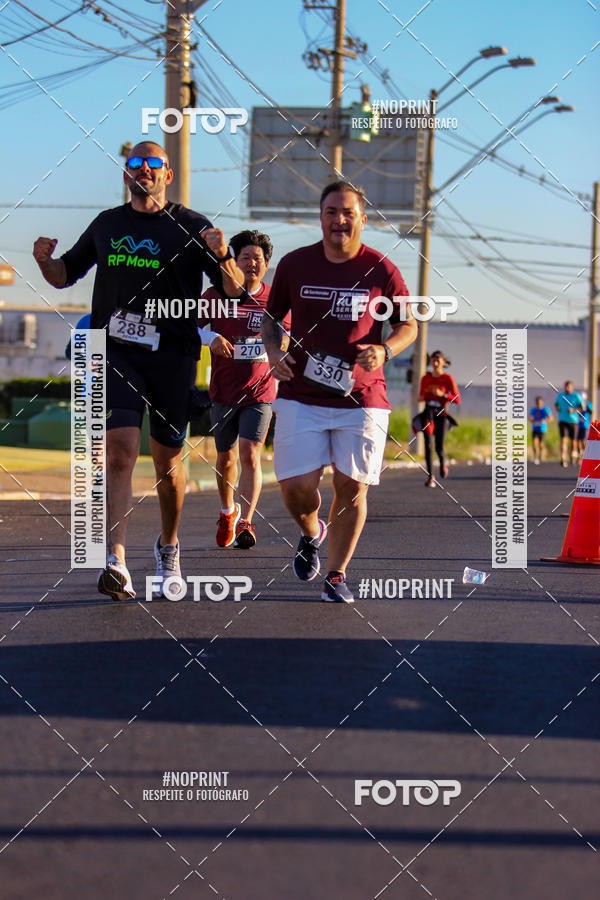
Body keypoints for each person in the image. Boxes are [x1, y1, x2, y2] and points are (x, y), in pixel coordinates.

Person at [33, 141, 244, 601]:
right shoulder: (108, 224)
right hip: (117, 351)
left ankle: (169, 546)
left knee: (169, 463)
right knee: (120, 451)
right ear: (125, 174)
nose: (143, 171)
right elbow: (64, 273)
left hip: (174, 355)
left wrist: (224, 253)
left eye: (153, 165)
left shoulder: (193, 227)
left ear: (168, 174)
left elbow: (232, 291)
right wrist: (44, 260)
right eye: (134, 164)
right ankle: (116, 560)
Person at [262, 181, 417, 604]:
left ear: (363, 219)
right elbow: (271, 319)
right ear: (321, 217)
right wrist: (274, 352)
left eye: (348, 212)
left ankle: (336, 574)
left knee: (352, 488)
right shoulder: (295, 264)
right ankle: (313, 532)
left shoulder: (382, 269)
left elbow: (408, 324)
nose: (340, 219)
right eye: (331, 211)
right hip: (300, 394)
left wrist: (385, 349)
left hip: (362, 398)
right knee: (295, 487)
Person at [199, 229, 290, 549]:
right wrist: (211, 339)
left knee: (251, 454)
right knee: (225, 459)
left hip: (260, 392)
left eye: (258, 259)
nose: (252, 264)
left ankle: (247, 522)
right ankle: (227, 512)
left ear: (267, 264)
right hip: (224, 391)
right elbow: (189, 329)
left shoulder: (275, 299)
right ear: (232, 262)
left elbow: (289, 338)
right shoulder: (214, 296)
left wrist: (279, 350)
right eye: (245, 258)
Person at [416, 350, 460, 487]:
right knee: (428, 444)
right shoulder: (426, 378)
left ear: (443, 363)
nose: (434, 363)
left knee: (439, 447)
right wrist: (422, 397)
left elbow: (457, 399)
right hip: (428, 413)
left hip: (441, 413)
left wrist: (443, 395)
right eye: (433, 361)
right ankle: (430, 477)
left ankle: (442, 463)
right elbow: (420, 396)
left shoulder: (447, 379)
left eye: (437, 361)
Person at [555, 381, 582, 467]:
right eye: (566, 386)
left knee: (573, 441)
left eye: (569, 387)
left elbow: (582, 407)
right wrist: (557, 408)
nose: (567, 388)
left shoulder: (576, 396)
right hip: (563, 420)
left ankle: (573, 455)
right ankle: (563, 458)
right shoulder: (560, 396)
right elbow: (556, 404)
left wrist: (573, 410)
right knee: (563, 440)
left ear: (572, 387)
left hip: (573, 421)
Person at [529, 396, 553, 465]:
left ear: (542, 402)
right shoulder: (533, 410)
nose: (539, 404)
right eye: (537, 403)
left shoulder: (545, 409)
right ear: (536, 403)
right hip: (535, 429)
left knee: (541, 444)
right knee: (534, 443)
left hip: (542, 429)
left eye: (540, 402)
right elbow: (530, 417)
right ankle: (535, 456)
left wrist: (545, 420)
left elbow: (551, 418)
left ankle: (540, 456)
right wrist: (531, 419)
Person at [576, 391, 592, 460]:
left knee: (583, 440)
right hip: (578, 425)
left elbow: (591, 411)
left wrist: (586, 407)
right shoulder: (578, 405)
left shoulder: (588, 404)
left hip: (585, 425)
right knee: (578, 440)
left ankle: (586, 453)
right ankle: (581, 454)